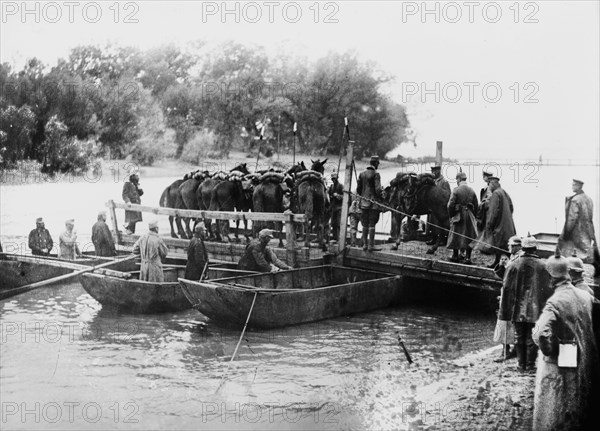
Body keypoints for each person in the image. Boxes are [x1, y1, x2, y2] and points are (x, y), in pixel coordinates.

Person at [532, 250, 599, 430]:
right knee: (576, 395)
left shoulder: (555, 302)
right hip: (582, 353)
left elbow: (541, 334)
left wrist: (550, 350)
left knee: (553, 403)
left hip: (561, 356)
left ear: (551, 278)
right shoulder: (585, 295)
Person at [498, 236, 552, 372]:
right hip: (535, 308)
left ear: (522, 248)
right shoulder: (543, 266)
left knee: (518, 336)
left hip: (517, 308)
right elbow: (548, 289)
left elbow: (506, 288)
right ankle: (529, 365)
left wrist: (504, 310)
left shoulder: (513, 264)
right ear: (535, 248)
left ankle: (520, 364)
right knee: (531, 337)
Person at [473, 176, 517, 268]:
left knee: (498, 243)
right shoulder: (504, 192)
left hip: (499, 225)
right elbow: (511, 207)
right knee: (505, 245)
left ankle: (501, 263)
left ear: (492, 184)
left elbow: (493, 212)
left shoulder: (496, 194)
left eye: (489, 184)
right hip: (508, 223)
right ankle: (498, 262)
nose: (489, 187)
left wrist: (490, 224)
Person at [492, 235, 522, 362]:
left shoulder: (519, 259)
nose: (509, 247)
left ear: (516, 246)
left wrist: (508, 265)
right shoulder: (512, 258)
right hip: (507, 293)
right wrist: (501, 266)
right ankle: (509, 348)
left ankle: (507, 350)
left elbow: (515, 277)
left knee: (506, 321)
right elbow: (505, 277)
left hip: (513, 296)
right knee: (506, 321)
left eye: (510, 245)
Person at [558, 179, 596, 263]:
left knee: (567, 248)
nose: (572, 186)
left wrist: (567, 232)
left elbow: (572, 218)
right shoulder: (589, 199)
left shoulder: (575, 200)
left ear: (579, 186)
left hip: (577, 230)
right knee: (586, 248)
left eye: (574, 185)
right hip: (587, 229)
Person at [446, 171, 478, 264]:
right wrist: (474, 216)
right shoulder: (471, 190)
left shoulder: (456, 190)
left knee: (456, 234)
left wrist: (451, 214)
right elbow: (476, 205)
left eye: (457, 179)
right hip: (469, 215)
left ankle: (455, 256)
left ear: (459, 180)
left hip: (458, 215)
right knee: (469, 236)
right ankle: (468, 258)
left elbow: (450, 205)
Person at [356, 155, 384, 252]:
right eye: (378, 164)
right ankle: (371, 245)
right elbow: (378, 190)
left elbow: (358, 190)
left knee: (364, 224)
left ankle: (364, 245)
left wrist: (364, 196)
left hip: (363, 203)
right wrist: (382, 195)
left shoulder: (362, 174)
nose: (378, 166)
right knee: (372, 224)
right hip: (373, 204)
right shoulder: (376, 174)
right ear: (375, 164)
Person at [425, 165, 451, 246]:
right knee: (432, 224)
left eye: (435, 171)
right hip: (432, 207)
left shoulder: (444, 182)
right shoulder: (432, 181)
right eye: (432, 171)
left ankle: (442, 239)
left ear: (439, 171)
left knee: (440, 224)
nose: (433, 173)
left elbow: (448, 195)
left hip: (440, 208)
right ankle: (433, 238)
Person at [327, 172, 344, 242]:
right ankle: (334, 238)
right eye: (332, 179)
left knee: (339, 223)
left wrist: (337, 195)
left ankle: (340, 238)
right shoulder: (331, 187)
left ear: (337, 178)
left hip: (339, 207)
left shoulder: (341, 186)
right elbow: (330, 196)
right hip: (333, 208)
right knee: (333, 224)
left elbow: (344, 197)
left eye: (335, 178)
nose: (333, 180)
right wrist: (330, 194)